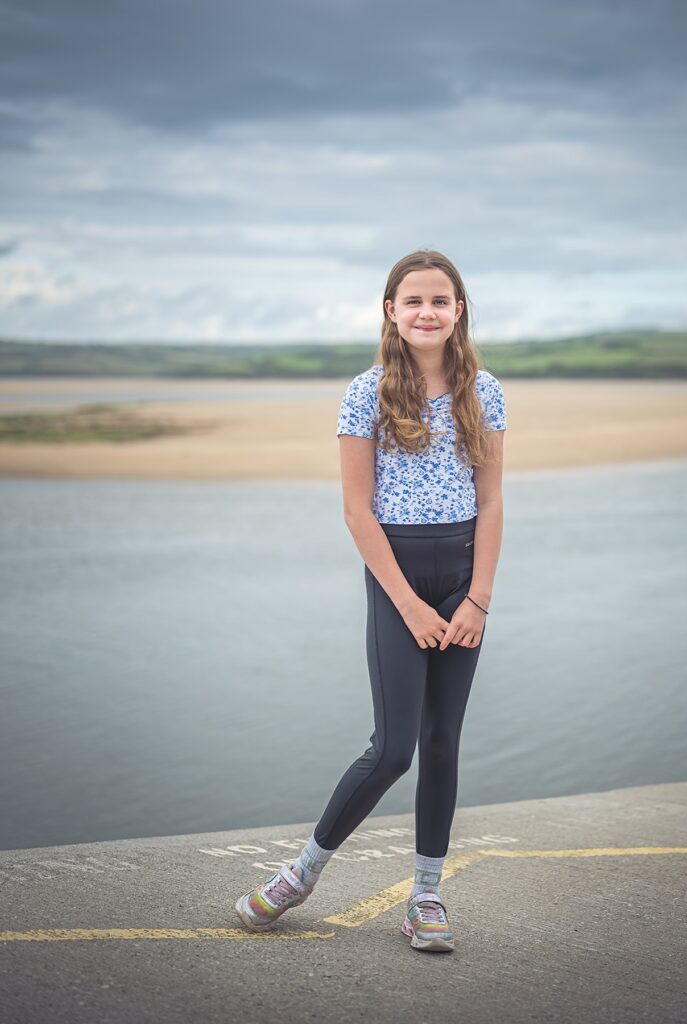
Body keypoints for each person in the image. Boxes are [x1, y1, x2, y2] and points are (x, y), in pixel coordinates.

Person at [235, 249, 506, 952]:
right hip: (397, 578)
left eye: (439, 300)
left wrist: (476, 600)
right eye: (412, 300)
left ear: (459, 310)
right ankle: (299, 876)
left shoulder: (487, 391)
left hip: (461, 579)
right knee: (392, 750)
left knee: (442, 744)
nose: (426, 312)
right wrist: (411, 607)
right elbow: (357, 512)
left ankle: (425, 898)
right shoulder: (365, 393)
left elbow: (492, 500)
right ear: (390, 311)